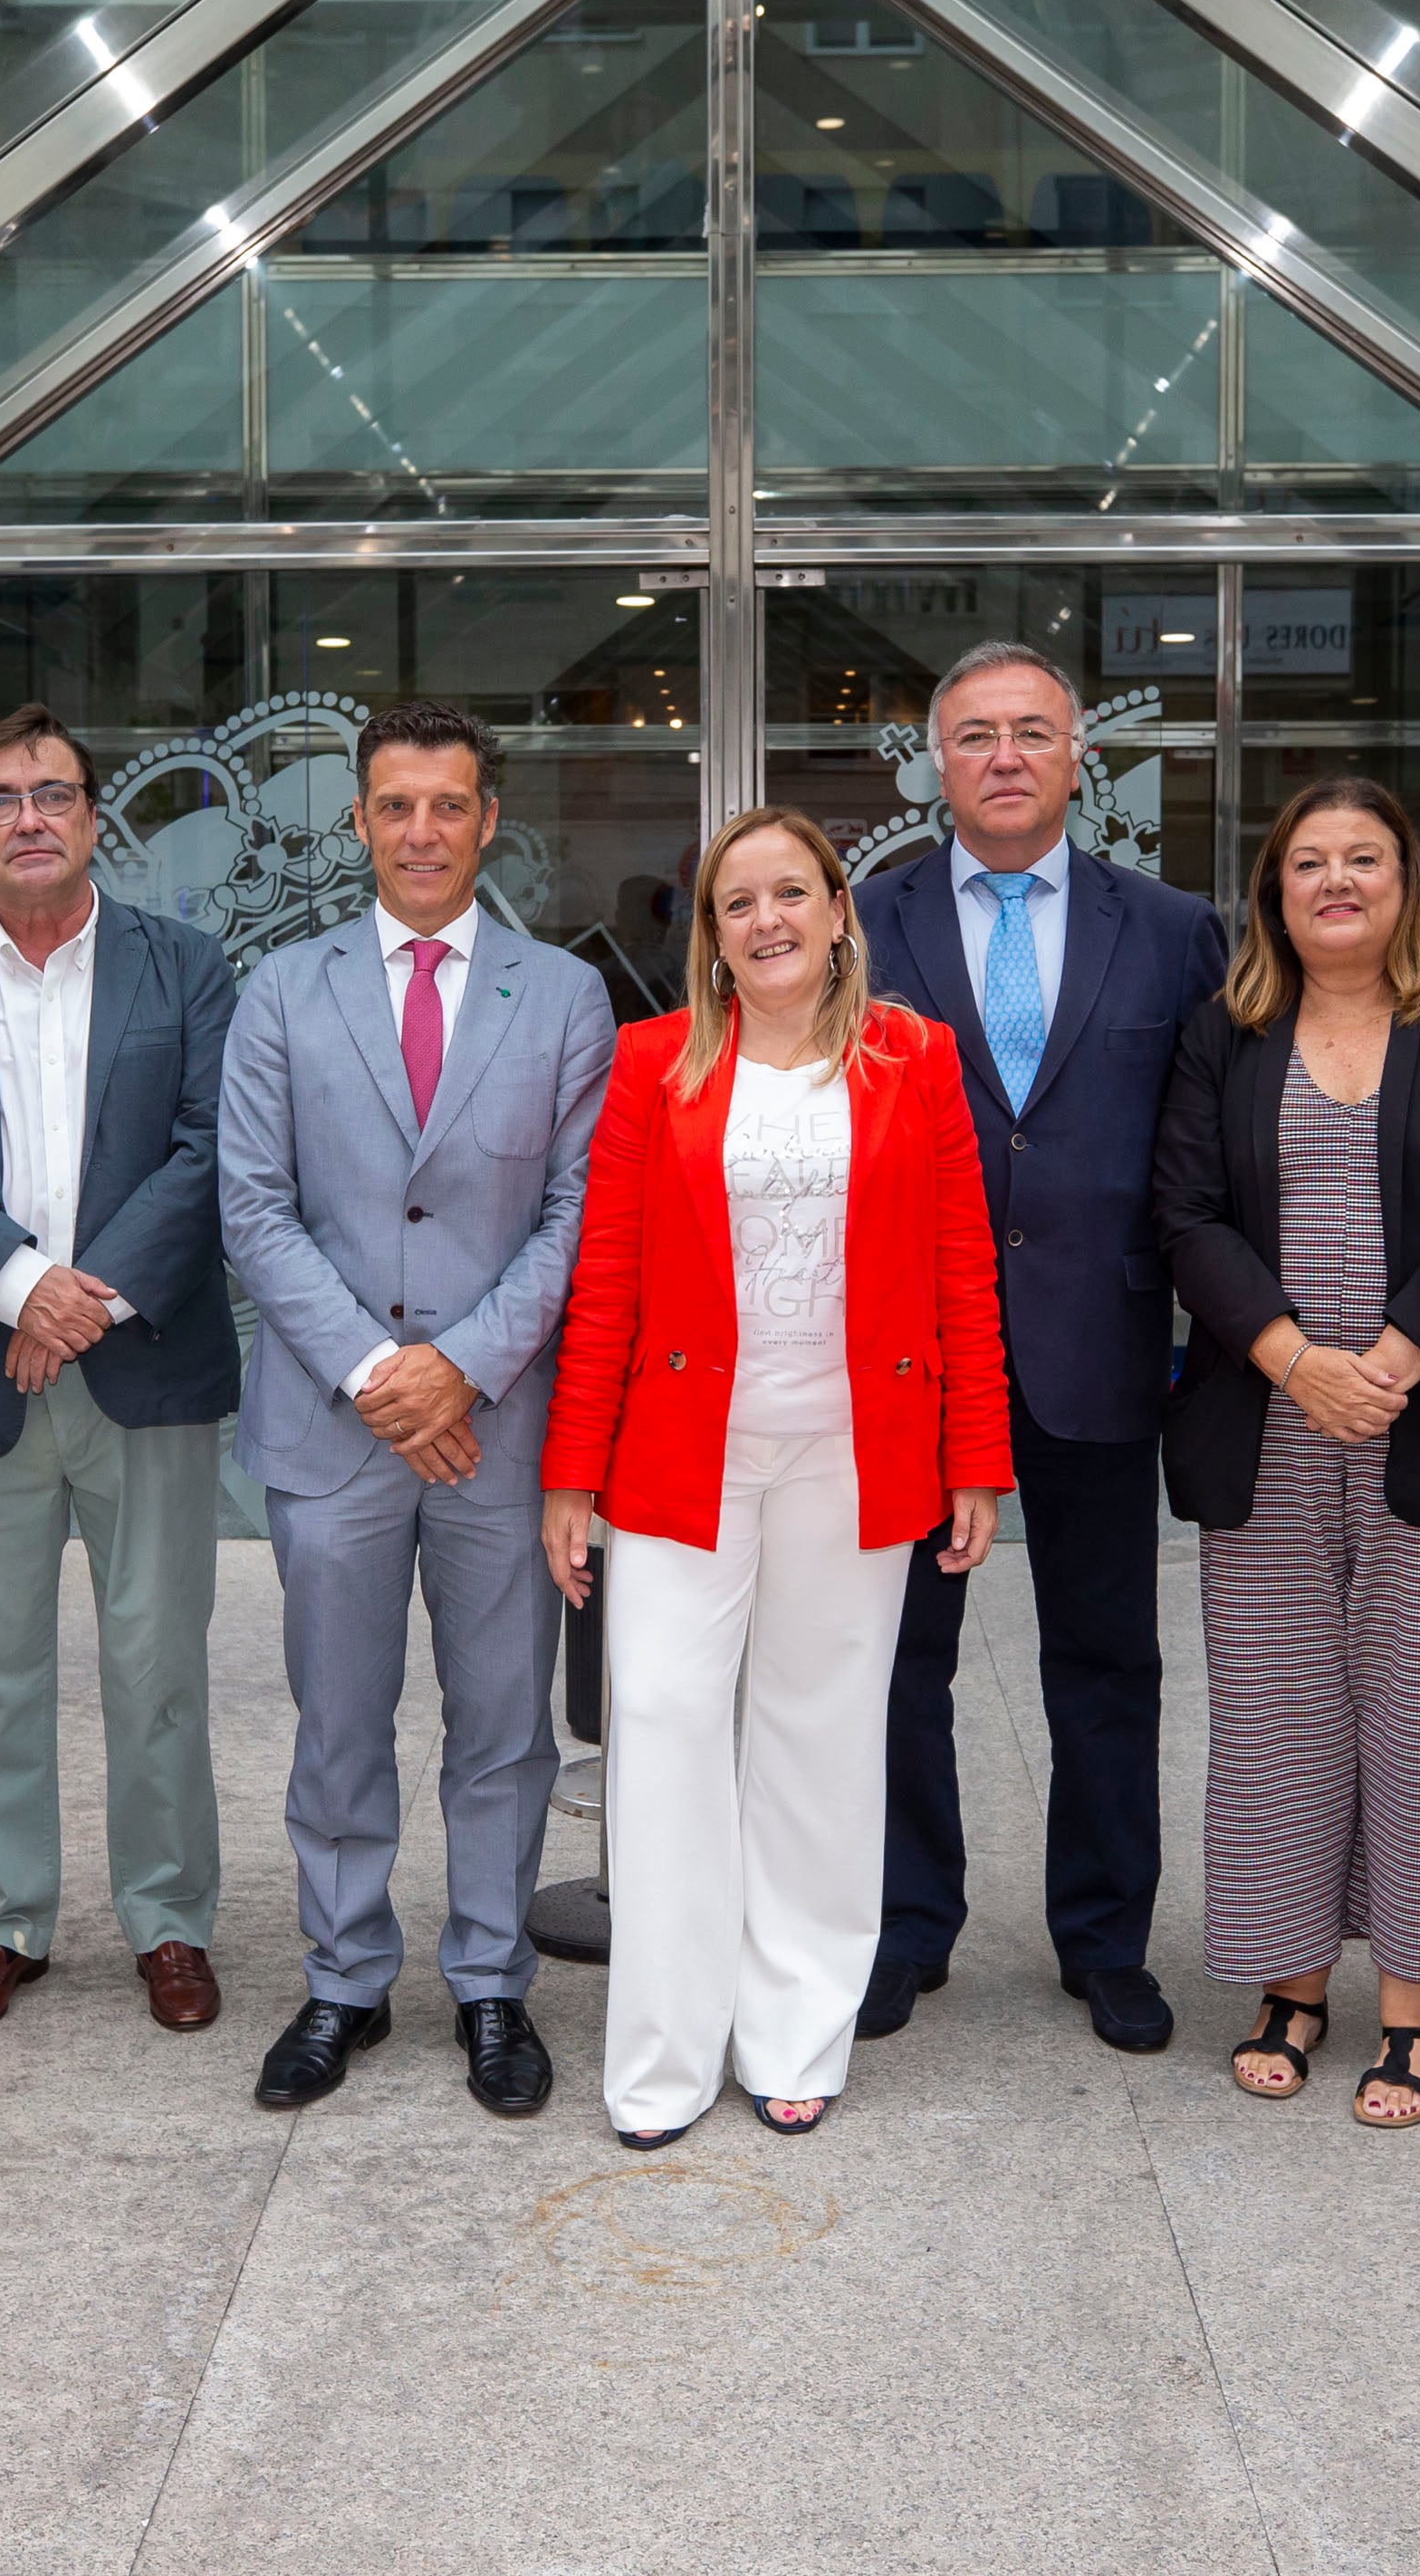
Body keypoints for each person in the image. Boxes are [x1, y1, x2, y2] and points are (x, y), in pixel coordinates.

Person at [542, 809, 1008, 2147]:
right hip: (682, 1455)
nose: (765, 920)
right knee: (665, 1721)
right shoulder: (652, 1067)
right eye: (735, 903)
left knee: (819, 1732)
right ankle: (666, 2048)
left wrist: (974, 1452)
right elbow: (606, 1287)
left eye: (789, 892)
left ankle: (796, 2028)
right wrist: (569, 1472)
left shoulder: (912, 1059)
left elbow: (961, 1269)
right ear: (709, 936)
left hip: (854, 1453)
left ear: (837, 908)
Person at [218, 698, 617, 2118]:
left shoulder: (563, 996)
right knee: (338, 1715)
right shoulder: (282, 990)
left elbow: (579, 1210)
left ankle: (495, 1981)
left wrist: (466, 1364)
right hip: (337, 1426)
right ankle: (342, 1978)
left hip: (502, 1426)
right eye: (396, 805)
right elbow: (254, 1207)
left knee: (504, 1721)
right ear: (361, 824)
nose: (423, 830)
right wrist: (384, 1377)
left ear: (487, 821)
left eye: (449, 805)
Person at [1153, 780, 1420, 2130]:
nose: (1336, 881)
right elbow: (1183, 1211)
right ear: (1274, 889)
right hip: (1262, 1418)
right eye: (1308, 861)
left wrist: (1387, 1361)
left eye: (1363, 858)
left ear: (1406, 879)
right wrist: (1290, 1358)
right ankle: (1286, 1982)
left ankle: (1416, 2003)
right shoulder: (1225, 1030)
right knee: (1277, 1718)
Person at [848, 639, 1227, 2056]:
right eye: (972, 734)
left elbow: (1210, 1147)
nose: (1002, 756)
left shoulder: (1175, 929)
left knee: (1106, 1659)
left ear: (1079, 757)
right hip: (908, 1355)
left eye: (1030, 731)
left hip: (1101, 1344)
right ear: (931, 761)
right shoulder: (858, 923)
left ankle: (1104, 1939)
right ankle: (904, 1924)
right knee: (899, 1660)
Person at [0, 704, 244, 2040]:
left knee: (158, 1663)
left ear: (92, 818)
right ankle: (1, 1919)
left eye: (54, 793)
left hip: (145, 1367)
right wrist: (24, 1285)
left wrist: (84, 1303)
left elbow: (206, 1154)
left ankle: (170, 1915)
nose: (30, 815)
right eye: (2, 796)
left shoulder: (186, 969)